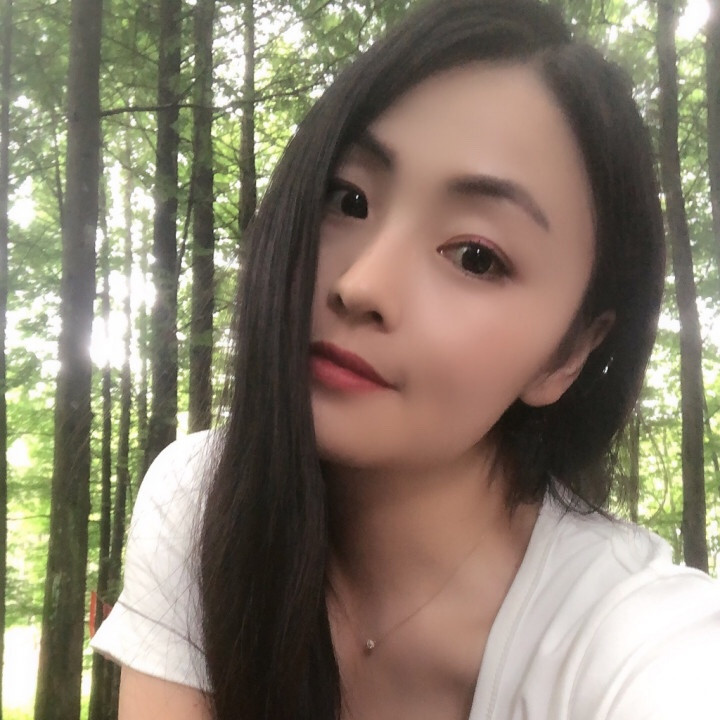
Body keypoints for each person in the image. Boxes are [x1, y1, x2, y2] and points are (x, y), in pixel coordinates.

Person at [91, 0, 720, 718]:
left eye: (476, 256)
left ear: (567, 354)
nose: (361, 286)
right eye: (348, 199)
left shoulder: (638, 648)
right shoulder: (208, 503)